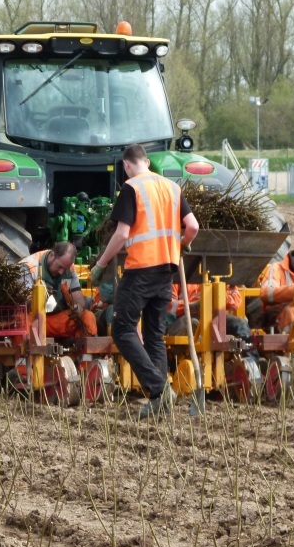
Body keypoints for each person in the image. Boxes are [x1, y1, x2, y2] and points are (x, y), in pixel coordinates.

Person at [89, 144, 199, 419]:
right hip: (166, 271)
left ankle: (160, 389)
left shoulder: (131, 188)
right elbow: (193, 226)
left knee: (123, 330)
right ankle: (160, 400)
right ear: (147, 161)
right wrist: (183, 244)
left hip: (140, 271)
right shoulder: (172, 188)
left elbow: (122, 234)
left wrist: (100, 264)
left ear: (126, 165)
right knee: (154, 336)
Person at [20, 241, 98, 338]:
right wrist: (40, 296)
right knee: (21, 320)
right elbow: (23, 302)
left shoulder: (69, 268)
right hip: (34, 320)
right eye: (60, 266)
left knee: (88, 317)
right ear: (52, 255)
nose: (62, 272)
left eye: (65, 269)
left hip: (56, 321)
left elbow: (78, 298)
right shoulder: (29, 267)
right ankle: (28, 352)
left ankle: (84, 352)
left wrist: (79, 308)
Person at [166, 283, 250, 341]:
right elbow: (169, 306)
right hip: (187, 316)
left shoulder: (220, 270)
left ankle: (252, 362)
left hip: (213, 316)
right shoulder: (178, 273)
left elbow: (236, 298)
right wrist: (194, 305)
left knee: (240, 324)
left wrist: (219, 298)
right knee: (192, 324)